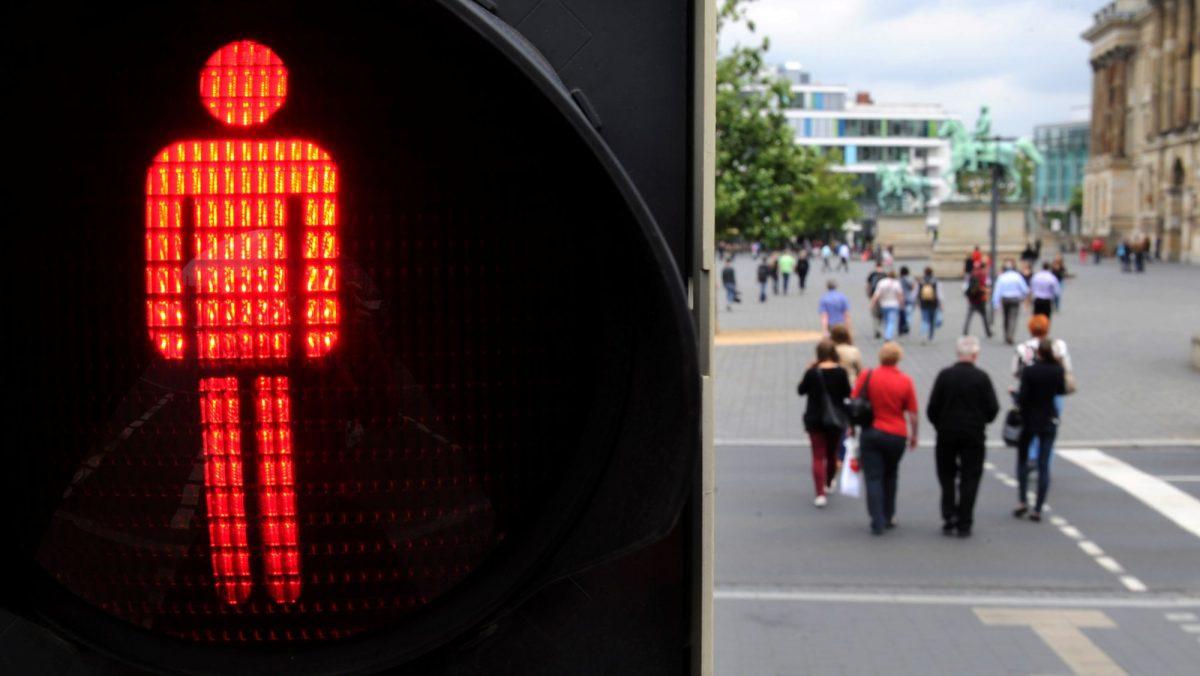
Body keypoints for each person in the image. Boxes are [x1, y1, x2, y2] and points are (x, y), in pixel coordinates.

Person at [926, 336, 999, 537]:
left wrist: (939, 424)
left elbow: (932, 407)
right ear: (975, 355)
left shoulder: (945, 375)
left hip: (946, 432)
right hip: (973, 432)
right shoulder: (982, 378)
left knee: (946, 475)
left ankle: (948, 514)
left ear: (958, 353)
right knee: (970, 476)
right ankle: (965, 519)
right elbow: (993, 408)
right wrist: (982, 421)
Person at [851, 342, 919, 535]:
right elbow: (913, 412)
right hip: (896, 434)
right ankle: (889, 514)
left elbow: (854, 401)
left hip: (872, 432)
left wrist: (851, 429)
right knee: (891, 475)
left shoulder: (868, 375)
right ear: (898, 358)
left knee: (873, 477)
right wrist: (914, 435)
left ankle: (877, 519)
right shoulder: (905, 381)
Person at [1015, 339, 1066, 522]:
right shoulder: (1057, 371)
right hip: (1049, 419)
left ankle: (1022, 500)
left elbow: (1023, 397)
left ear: (1038, 354)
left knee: (1022, 460)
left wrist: (1015, 396)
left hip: (1030, 420)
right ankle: (1037, 508)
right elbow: (1061, 391)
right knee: (1044, 464)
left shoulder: (1030, 371)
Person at [797, 340, 852, 507]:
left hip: (815, 418)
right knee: (832, 452)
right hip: (835, 419)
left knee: (817, 455)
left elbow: (801, 390)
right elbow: (847, 393)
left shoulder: (812, 372)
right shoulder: (841, 372)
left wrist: (808, 370)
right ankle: (829, 482)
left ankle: (819, 493)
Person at [992, 260, 1030, 345]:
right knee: (1013, 318)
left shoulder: (1002, 277)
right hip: (1015, 299)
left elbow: (997, 291)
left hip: (1005, 299)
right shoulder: (1017, 276)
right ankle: (1010, 335)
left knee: (1005, 317)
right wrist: (1024, 297)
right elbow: (1025, 289)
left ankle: (1006, 334)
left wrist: (995, 303)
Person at [869, 270, 905, 341]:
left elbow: (877, 295)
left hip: (884, 304)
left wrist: (872, 303)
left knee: (886, 320)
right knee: (891, 321)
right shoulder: (896, 283)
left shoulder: (882, 283)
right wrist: (902, 304)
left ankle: (887, 333)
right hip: (894, 304)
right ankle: (888, 335)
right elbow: (900, 295)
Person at [962, 263, 991, 339]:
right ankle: (988, 332)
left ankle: (965, 330)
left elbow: (967, 286)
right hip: (981, 299)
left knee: (969, 316)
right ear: (983, 268)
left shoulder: (972, 275)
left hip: (972, 300)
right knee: (984, 317)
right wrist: (986, 291)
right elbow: (984, 287)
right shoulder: (982, 276)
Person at [916, 266, 942, 343]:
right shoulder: (936, 281)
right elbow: (939, 293)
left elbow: (917, 293)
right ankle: (931, 336)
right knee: (932, 321)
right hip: (933, 303)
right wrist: (941, 303)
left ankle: (923, 335)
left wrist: (917, 302)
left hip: (923, 303)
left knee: (924, 320)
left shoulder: (921, 281)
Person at [865, 262, 886, 339]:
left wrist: (869, 295)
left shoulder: (872, 274)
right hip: (883, 298)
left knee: (875, 315)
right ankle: (878, 328)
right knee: (881, 315)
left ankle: (876, 329)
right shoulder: (885, 275)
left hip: (874, 296)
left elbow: (868, 285)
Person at [897, 265, 915, 336]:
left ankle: (901, 328)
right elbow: (913, 287)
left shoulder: (898, 280)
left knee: (901, 314)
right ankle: (907, 326)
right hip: (908, 298)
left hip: (900, 299)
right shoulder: (909, 279)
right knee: (908, 314)